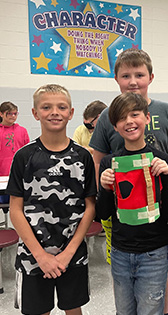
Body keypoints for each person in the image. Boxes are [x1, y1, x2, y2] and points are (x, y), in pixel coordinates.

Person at [89, 48, 168, 314]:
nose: (132, 81)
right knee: (125, 287)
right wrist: (102, 187)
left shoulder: (166, 111)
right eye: (125, 75)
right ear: (116, 79)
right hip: (123, 215)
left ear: (150, 77)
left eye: (139, 74)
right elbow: (99, 159)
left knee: (160, 271)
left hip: (159, 214)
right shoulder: (109, 116)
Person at [6, 84, 97, 315]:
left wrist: (67, 253)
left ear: (71, 113)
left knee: (73, 308)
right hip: (32, 255)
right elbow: (15, 210)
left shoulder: (82, 156)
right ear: (36, 113)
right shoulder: (24, 157)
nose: (54, 112)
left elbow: (89, 207)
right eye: (46, 107)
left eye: (61, 107)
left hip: (73, 253)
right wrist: (41, 256)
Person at [0, 101, 29, 203]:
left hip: (18, 174)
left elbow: (27, 153)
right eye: (9, 113)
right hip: (2, 174)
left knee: (17, 204)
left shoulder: (22, 130)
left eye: (15, 113)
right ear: (1, 114)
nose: (13, 116)